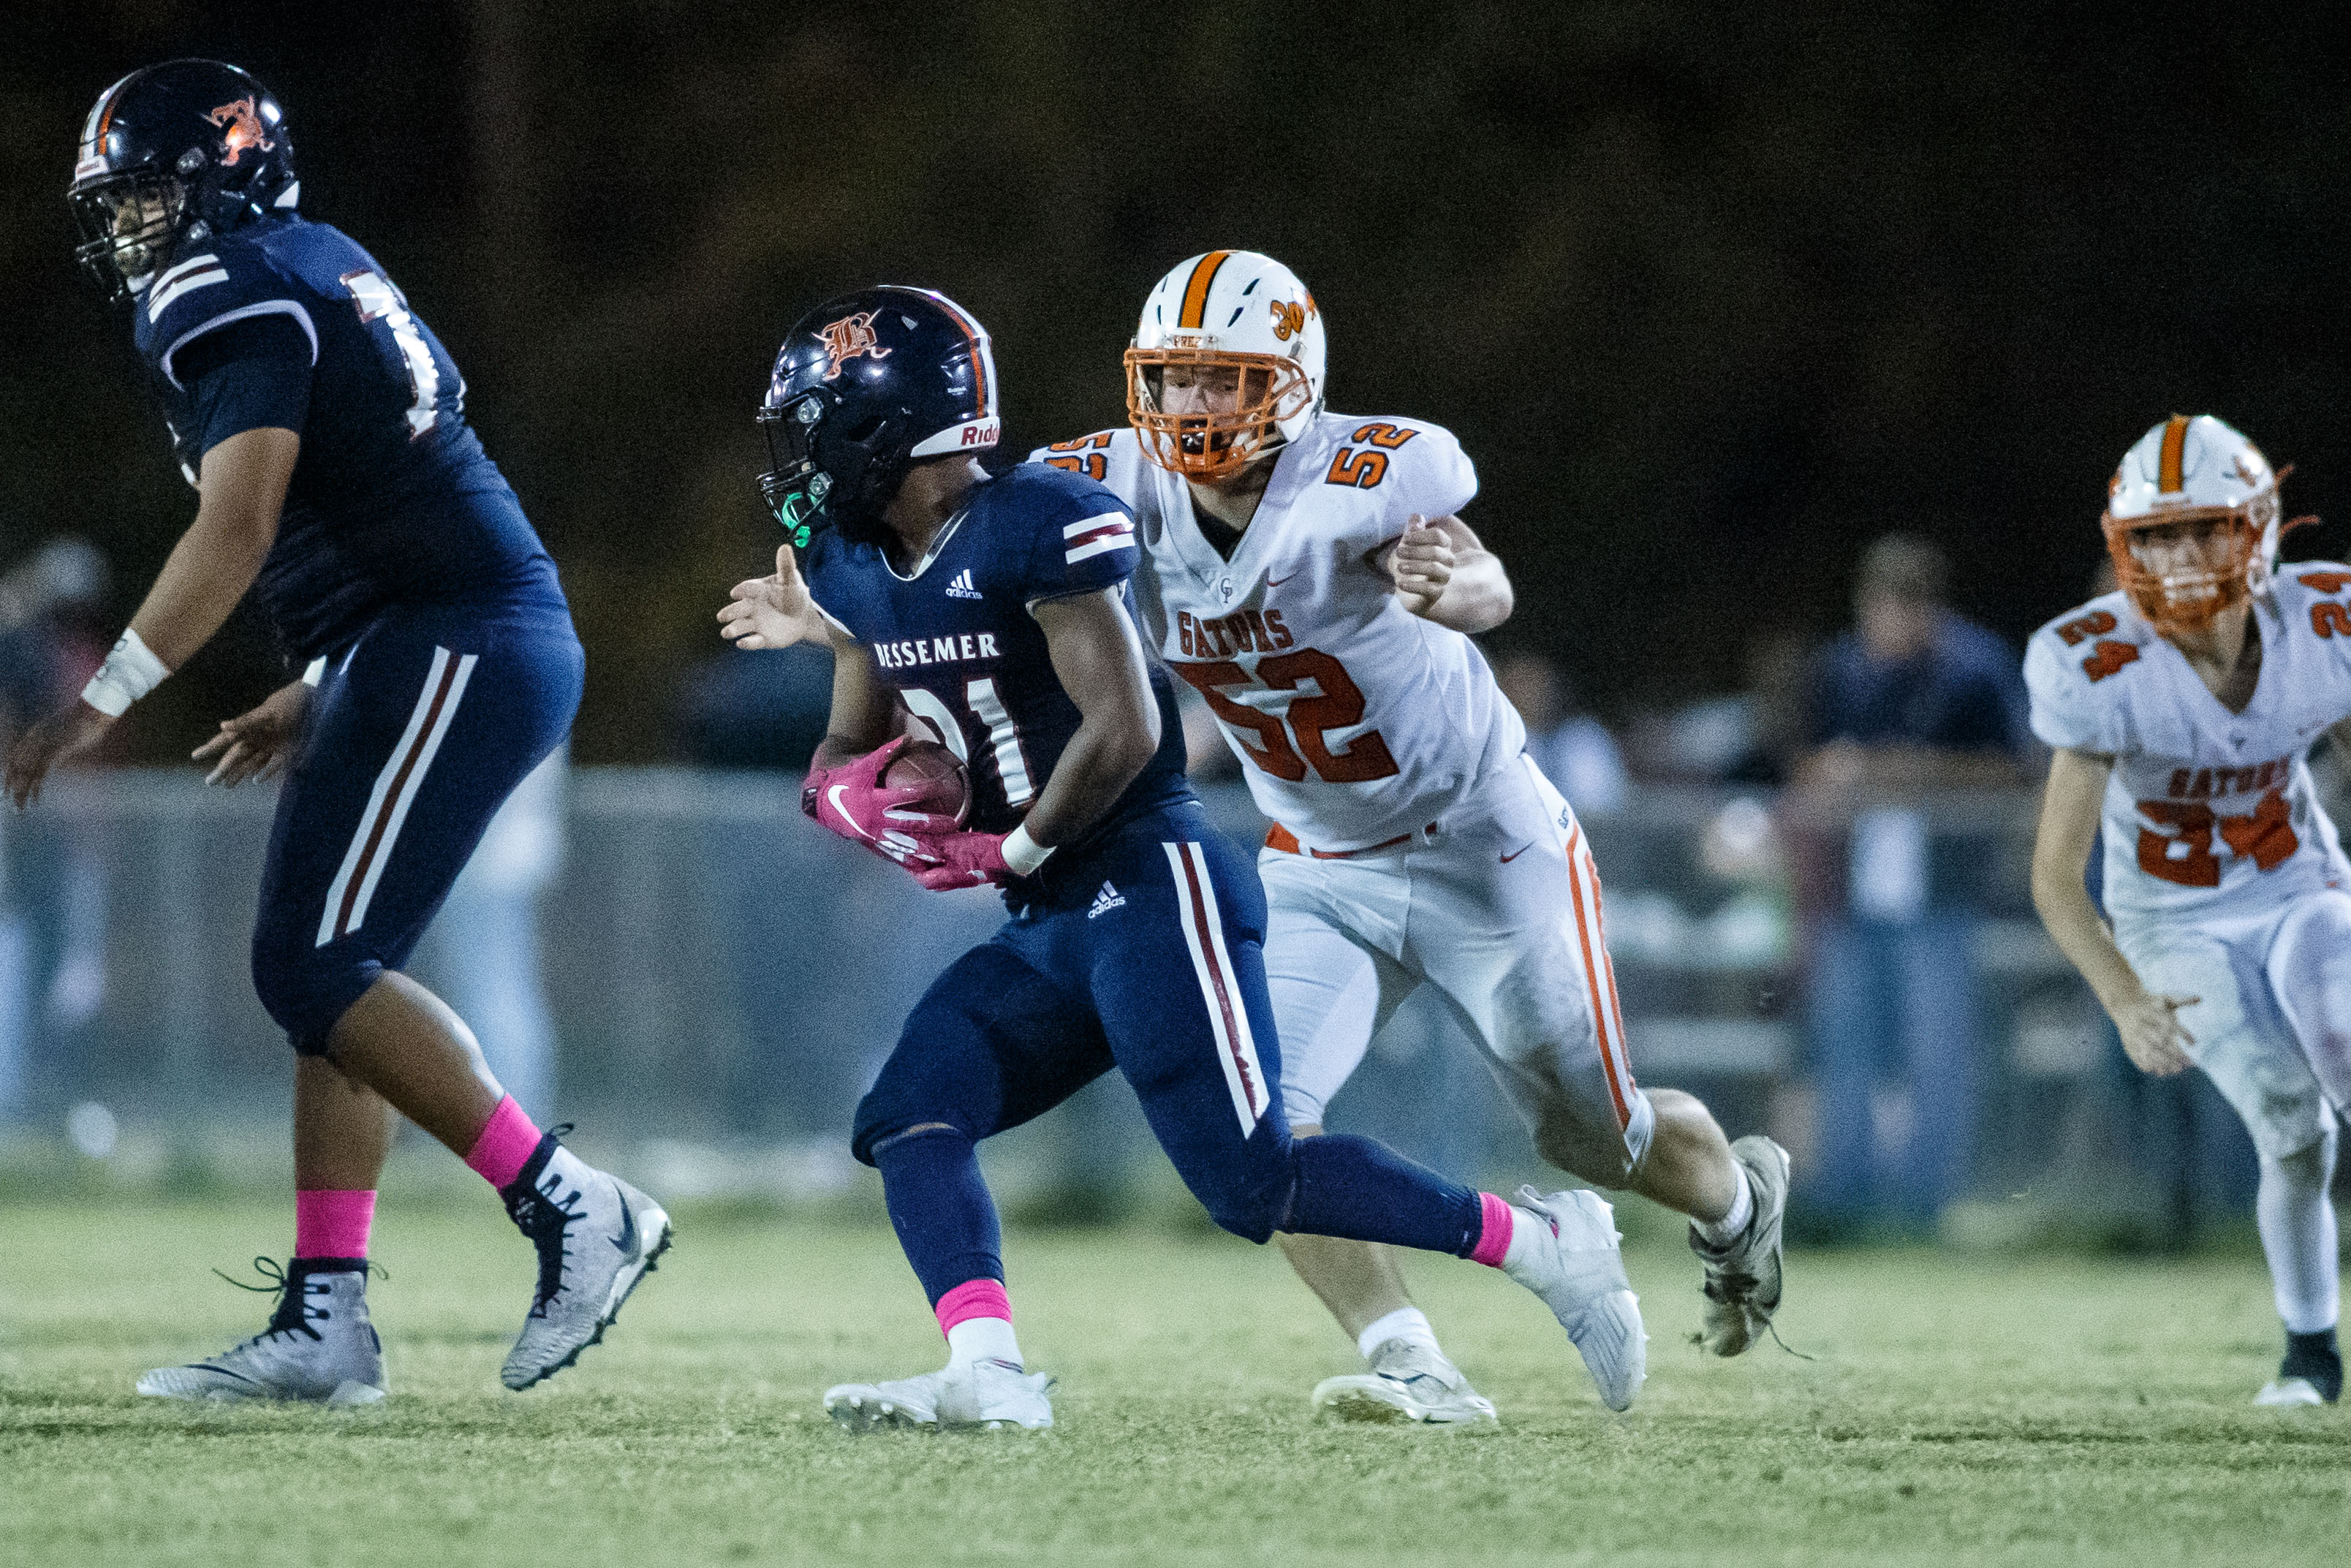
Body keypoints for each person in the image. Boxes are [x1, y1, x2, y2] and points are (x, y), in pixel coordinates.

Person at [720, 286, 1645, 1431]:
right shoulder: (852, 563)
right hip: (1050, 909)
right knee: (910, 1107)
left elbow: (1131, 731)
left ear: (881, 424)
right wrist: (843, 797)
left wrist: (1005, 844)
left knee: (1252, 1180)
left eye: (817, 418)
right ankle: (990, 1371)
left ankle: (1541, 1240)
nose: (799, 449)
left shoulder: (1038, 520)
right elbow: (854, 733)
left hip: (1151, 886)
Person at [1027, 251, 1789, 1425]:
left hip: (1482, 846)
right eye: (1174, 380)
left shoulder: (1367, 479)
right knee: (1259, 1127)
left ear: (1291, 384)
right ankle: (1408, 1358)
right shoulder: (1106, 492)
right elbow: (971, 579)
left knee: (1595, 1136)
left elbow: (1477, 579)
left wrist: (1462, 590)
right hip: (1319, 863)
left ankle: (1738, 1203)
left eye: (1224, 381)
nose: (1190, 409)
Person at [7, 61, 669, 1404]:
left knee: (315, 967)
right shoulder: (316, 262)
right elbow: (382, 480)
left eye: (145, 193)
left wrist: (100, 698)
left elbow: (239, 523)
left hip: (454, 636)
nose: (129, 227)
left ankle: (569, 1203)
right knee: (329, 985)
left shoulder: (227, 289)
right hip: (419, 637)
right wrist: (325, 678)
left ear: (217, 178)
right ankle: (328, 1321)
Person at [2028, 414, 2351, 1406]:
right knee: (2294, 1130)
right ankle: (2311, 1350)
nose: (2176, 557)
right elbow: (2055, 874)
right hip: (2172, 923)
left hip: (2301, 887)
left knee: (2341, 1030)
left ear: (2258, 529)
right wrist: (2126, 999)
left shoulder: (2323, 623)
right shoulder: (2095, 660)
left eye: (2199, 528)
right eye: (2154, 535)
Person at [1790, 533, 2029, 1232]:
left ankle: (1926, 1206)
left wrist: (1902, 771)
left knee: (1937, 1052)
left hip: (1942, 892)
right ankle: (1843, 1203)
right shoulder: (1841, 666)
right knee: (1846, 1044)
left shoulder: (1975, 667)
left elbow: (2014, 769)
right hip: (1853, 891)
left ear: (1928, 611)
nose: (1884, 629)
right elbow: (1803, 764)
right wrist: (1837, 775)